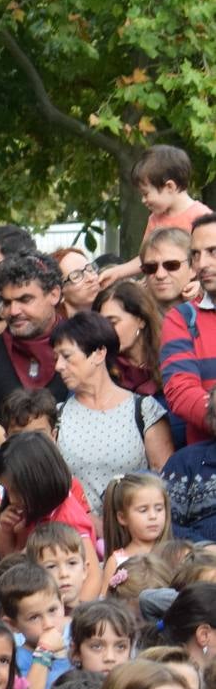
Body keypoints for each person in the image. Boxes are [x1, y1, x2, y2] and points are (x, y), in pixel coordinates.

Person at [52, 310, 171, 509]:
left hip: (135, 532)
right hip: (76, 533)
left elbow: (164, 482)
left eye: (66, 356)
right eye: (56, 358)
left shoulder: (144, 410)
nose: (58, 366)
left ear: (99, 353)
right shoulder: (58, 415)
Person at [0, 253, 68, 431]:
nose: (14, 310)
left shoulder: (84, 347)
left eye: (25, 300)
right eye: (7, 302)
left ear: (54, 294)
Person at [161, 211, 216, 445]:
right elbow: (180, 392)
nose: (202, 264)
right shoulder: (181, 319)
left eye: (213, 252)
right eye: (195, 254)